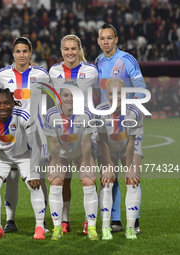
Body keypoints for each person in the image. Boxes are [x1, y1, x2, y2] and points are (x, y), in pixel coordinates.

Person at [0, 37, 50, 233]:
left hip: (36, 133)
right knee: (12, 175)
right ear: (13, 53)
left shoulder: (42, 74)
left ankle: (42, 222)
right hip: (12, 132)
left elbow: (50, 99)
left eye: (25, 51)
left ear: (31, 52)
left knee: (39, 176)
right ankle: (10, 220)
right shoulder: (2, 75)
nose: (21, 55)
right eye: (18, 51)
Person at [96, 23, 145, 234]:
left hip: (127, 122)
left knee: (131, 171)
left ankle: (134, 220)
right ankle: (115, 219)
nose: (106, 42)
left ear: (116, 39)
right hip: (106, 123)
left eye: (109, 38)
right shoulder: (97, 62)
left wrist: (128, 110)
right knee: (109, 172)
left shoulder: (126, 59)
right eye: (102, 38)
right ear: (98, 41)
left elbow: (141, 88)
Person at [44, 85, 111, 241]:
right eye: (66, 95)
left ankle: (92, 226)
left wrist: (87, 164)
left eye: (73, 96)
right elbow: (53, 143)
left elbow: (86, 143)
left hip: (82, 152)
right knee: (56, 181)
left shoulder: (87, 114)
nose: (69, 99)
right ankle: (58, 227)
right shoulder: (51, 115)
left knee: (88, 180)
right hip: (61, 152)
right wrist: (54, 164)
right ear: (59, 97)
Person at [49, 34, 99, 235]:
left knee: (88, 178)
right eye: (66, 49)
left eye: (73, 49)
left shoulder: (91, 71)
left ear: (79, 50)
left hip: (86, 131)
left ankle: (90, 221)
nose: (70, 52)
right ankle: (65, 220)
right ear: (62, 52)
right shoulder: (54, 71)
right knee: (64, 179)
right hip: (62, 132)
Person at [0, 88, 46, 240]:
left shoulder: (23, 116)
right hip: (2, 155)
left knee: (34, 184)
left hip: (25, 154)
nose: (2, 107)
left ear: (13, 104)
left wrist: (35, 171)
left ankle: (39, 227)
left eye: (6, 103)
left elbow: (35, 143)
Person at [96, 78, 143, 240]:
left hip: (128, 145)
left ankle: (131, 227)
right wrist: (109, 165)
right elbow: (102, 140)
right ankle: (105, 227)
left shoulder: (135, 111)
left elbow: (131, 142)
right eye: (111, 93)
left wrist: (129, 167)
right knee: (107, 181)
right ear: (106, 94)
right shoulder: (100, 111)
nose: (115, 97)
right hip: (107, 145)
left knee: (132, 179)